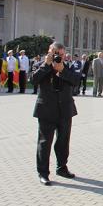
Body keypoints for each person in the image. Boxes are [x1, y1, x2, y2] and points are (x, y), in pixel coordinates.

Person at [31, 42, 81, 186]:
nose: (58, 57)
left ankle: (62, 167)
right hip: (46, 109)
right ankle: (43, 173)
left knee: (63, 142)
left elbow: (76, 81)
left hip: (65, 109)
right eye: (55, 54)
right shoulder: (40, 64)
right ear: (49, 52)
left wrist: (62, 70)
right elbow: (33, 80)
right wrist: (46, 66)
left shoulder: (68, 66)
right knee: (44, 142)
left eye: (61, 54)